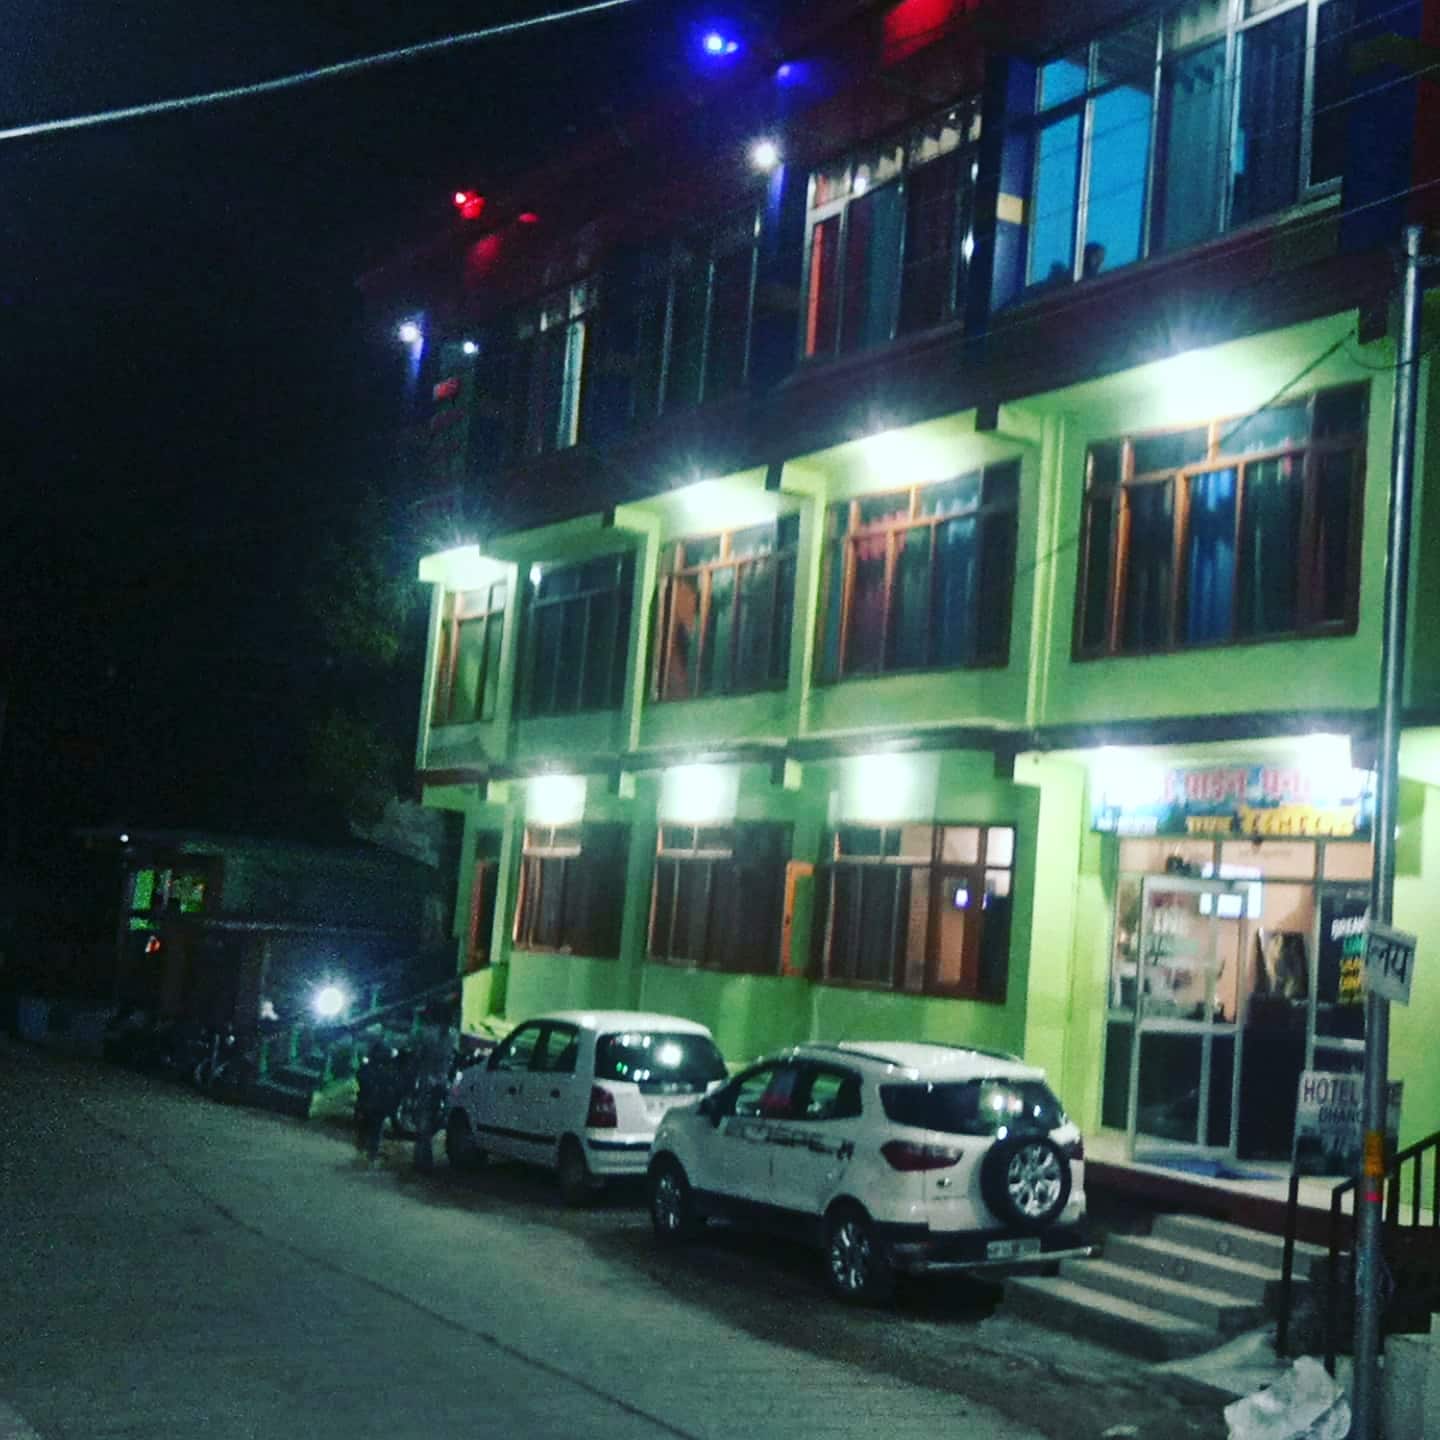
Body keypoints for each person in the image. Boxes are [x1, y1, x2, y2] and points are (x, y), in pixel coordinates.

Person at [409, 1003, 460, 1173]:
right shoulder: (453, 1035)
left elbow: (417, 1055)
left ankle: (422, 1160)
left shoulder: (426, 1034)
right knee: (437, 1118)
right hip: (443, 1081)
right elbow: (453, 1057)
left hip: (427, 1080)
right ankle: (425, 1159)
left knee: (423, 1119)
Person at [355, 1040, 405, 1163]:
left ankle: (368, 1151)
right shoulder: (378, 1067)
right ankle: (368, 1152)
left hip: (375, 1103)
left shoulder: (384, 1068)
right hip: (375, 1103)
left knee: (371, 1127)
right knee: (372, 1127)